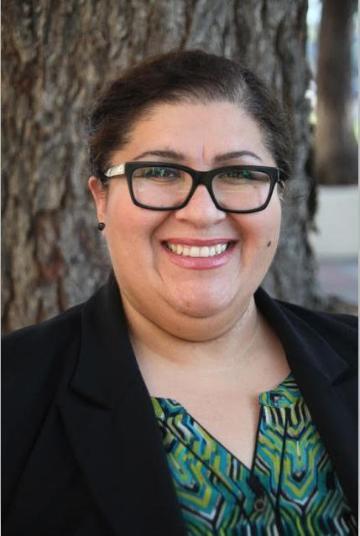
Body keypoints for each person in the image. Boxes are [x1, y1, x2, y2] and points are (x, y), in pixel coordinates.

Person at [3, 50, 357, 536]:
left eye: (239, 174)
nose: (202, 212)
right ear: (101, 198)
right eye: (161, 173)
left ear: (279, 197)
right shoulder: (13, 393)